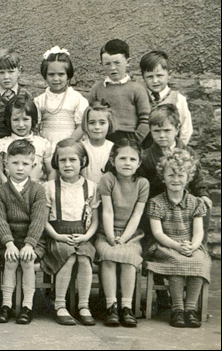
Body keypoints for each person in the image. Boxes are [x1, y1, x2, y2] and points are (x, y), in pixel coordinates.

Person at [145, 149, 211, 328]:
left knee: (198, 262)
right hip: (166, 245)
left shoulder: (196, 203)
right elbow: (158, 233)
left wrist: (193, 246)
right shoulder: (156, 203)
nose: (176, 179)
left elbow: (198, 232)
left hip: (190, 243)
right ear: (163, 177)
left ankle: (190, 309)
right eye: (171, 174)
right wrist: (176, 246)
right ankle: (177, 309)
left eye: (181, 175)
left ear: (189, 177)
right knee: (177, 261)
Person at [38, 139, 99, 326]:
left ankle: (83, 305)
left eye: (73, 160)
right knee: (69, 256)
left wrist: (87, 236)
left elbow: (95, 219)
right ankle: (60, 304)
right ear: (56, 162)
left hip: (82, 235)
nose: (67, 164)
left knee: (84, 257)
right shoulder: (49, 187)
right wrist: (57, 236)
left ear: (82, 161)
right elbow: (43, 219)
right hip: (57, 236)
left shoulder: (91, 186)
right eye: (62, 160)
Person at [0, 139, 49, 325]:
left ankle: (27, 305)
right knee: (10, 259)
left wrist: (30, 244)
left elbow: (39, 219)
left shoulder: (38, 191)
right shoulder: (0, 191)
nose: (20, 168)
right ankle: (6, 304)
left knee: (27, 260)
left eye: (25, 164)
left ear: (33, 165)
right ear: (6, 164)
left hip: (31, 240)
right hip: (7, 240)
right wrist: (8, 243)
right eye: (15, 163)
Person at [94, 139, 149, 327]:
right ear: (112, 160)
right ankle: (111, 306)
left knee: (128, 258)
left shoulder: (142, 183)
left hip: (131, 234)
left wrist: (124, 238)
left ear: (139, 163)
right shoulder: (108, 180)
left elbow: (137, 214)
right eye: (122, 158)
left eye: (132, 159)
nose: (127, 163)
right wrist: (111, 238)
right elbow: (107, 211)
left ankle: (127, 306)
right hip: (106, 233)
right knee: (109, 256)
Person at [87, 39, 151, 144]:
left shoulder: (137, 89)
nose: (113, 68)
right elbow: (89, 115)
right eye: (107, 64)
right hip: (103, 137)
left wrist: (135, 141)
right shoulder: (97, 88)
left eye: (117, 63)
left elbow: (146, 119)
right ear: (101, 64)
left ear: (128, 62)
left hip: (130, 137)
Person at [33, 46, 89, 145]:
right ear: (45, 76)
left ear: (68, 75)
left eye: (61, 74)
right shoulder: (39, 101)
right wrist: (43, 144)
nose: (56, 78)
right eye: (51, 74)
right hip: (46, 144)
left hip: (71, 144)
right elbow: (35, 127)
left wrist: (70, 143)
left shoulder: (77, 99)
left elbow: (81, 126)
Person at [140, 50, 192, 147]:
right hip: (145, 153)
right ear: (143, 77)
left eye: (159, 75)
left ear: (169, 74)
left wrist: (178, 150)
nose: (155, 81)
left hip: (170, 151)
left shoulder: (178, 99)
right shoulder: (140, 97)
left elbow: (186, 129)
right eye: (150, 77)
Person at [0, 96, 54, 182]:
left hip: (38, 191)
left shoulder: (42, 144)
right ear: (9, 120)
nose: (21, 125)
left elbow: (51, 171)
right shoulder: (2, 145)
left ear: (33, 120)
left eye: (25, 119)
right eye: (16, 120)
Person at [0, 49, 32, 141]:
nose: (6, 77)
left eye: (11, 71)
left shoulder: (25, 95)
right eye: (1, 72)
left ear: (19, 71)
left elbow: (32, 119)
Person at [80, 100, 115, 184]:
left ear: (109, 124)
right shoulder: (80, 147)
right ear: (86, 124)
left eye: (102, 123)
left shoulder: (113, 148)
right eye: (92, 123)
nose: (97, 127)